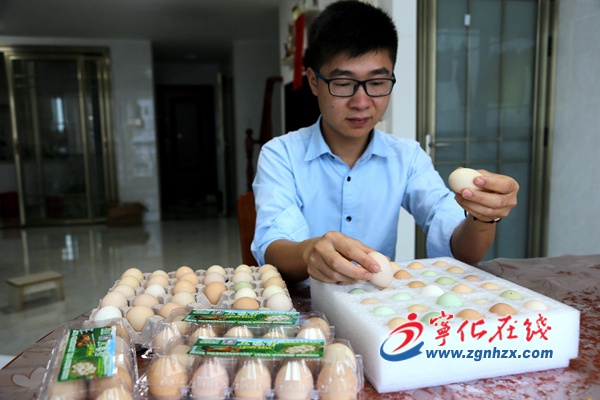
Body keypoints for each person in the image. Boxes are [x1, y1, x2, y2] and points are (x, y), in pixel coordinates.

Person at [250, 0, 518, 284]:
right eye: (343, 83)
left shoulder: (407, 157)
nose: (361, 102)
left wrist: (483, 217)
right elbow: (272, 247)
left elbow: (462, 250)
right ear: (314, 82)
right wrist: (310, 253)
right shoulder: (280, 155)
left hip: (378, 304)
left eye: (377, 83)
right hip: (305, 304)